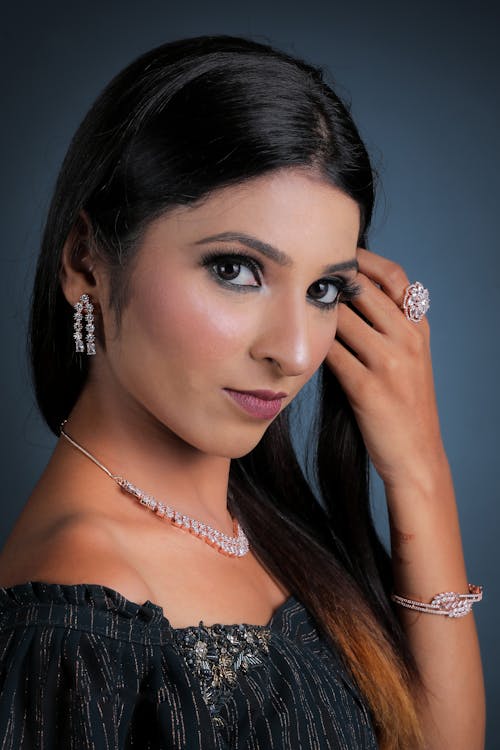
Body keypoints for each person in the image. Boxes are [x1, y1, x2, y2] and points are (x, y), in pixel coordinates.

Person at [0, 34, 485, 750]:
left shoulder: (270, 523)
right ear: (86, 261)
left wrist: (419, 468)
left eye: (324, 289)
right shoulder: (81, 612)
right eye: (235, 270)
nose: (293, 353)